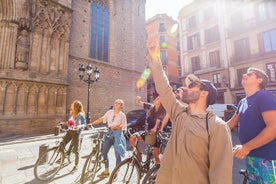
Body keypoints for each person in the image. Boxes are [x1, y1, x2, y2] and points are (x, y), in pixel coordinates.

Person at [147, 45, 233, 183]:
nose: (185, 88)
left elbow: (221, 175)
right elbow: (164, 88)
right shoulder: (179, 112)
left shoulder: (217, 127)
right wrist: (155, 61)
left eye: (192, 86)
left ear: (204, 93)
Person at [228, 67, 276, 183]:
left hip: (269, 159)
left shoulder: (265, 97)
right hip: (250, 157)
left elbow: (273, 127)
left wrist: (246, 147)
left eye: (250, 74)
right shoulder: (242, 102)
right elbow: (229, 125)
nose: (245, 74)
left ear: (260, 80)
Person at [91, 99, 127, 178]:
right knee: (104, 152)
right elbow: (102, 119)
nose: (116, 104)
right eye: (115, 103)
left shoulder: (122, 115)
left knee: (117, 154)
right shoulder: (109, 112)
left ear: (121, 106)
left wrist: (116, 127)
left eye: (118, 103)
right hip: (109, 134)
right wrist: (92, 123)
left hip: (117, 135)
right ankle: (106, 170)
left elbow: (123, 127)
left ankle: (116, 171)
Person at [129, 96, 166, 165]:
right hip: (147, 131)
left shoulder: (162, 111)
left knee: (157, 159)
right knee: (132, 138)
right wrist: (138, 99)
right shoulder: (150, 107)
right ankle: (139, 153)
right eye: (156, 98)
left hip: (155, 133)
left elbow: (159, 119)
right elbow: (139, 103)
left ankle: (158, 171)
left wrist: (155, 128)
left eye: (158, 99)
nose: (156, 99)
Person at [60, 100, 86, 172]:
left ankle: (76, 166)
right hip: (70, 132)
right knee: (62, 144)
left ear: (75, 106)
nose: (71, 105)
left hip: (76, 133)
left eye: (73, 105)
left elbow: (84, 124)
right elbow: (70, 122)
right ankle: (62, 157)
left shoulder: (80, 114)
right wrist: (64, 123)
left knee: (76, 150)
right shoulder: (72, 113)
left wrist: (80, 126)